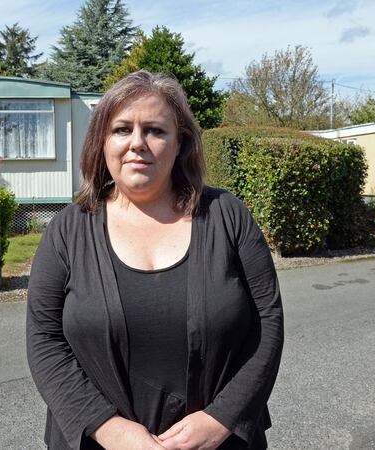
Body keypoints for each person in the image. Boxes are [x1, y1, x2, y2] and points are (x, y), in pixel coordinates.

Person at [26, 70, 284, 450]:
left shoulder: (227, 215)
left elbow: (268, 324)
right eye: (121, 129)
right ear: (101, 141)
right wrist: (108, 428)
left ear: (180, 144)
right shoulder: (68, 229)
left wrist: (222, 418)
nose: (137, 144)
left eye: (155, 130)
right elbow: (43, 340)